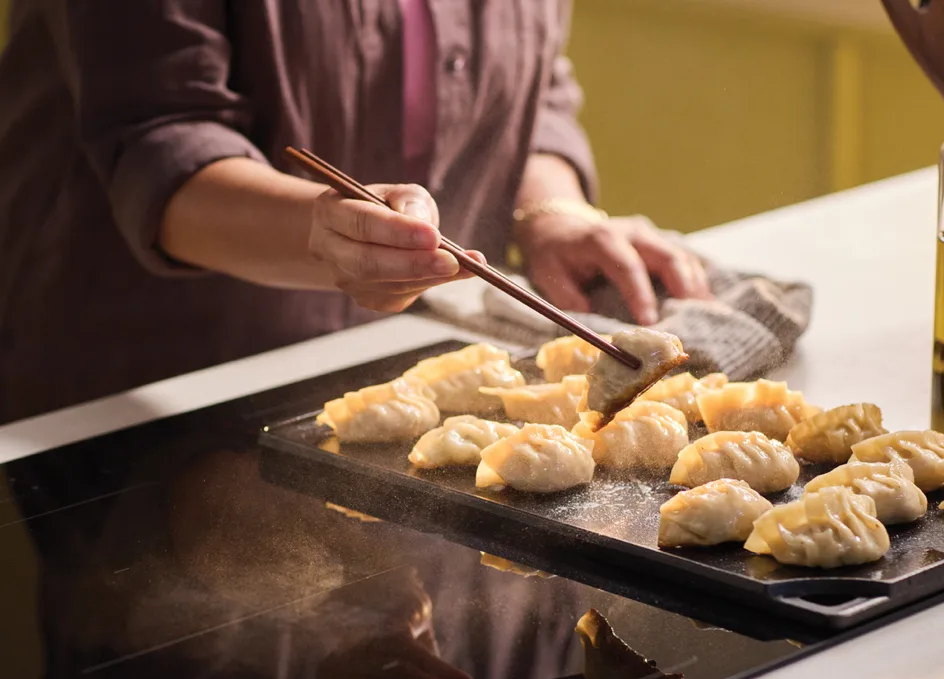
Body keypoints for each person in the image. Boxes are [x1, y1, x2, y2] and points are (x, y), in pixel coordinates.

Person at [0, 0, 709, 425]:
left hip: (394, 385)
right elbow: (160, 138)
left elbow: (531, 85)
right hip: (150, 405)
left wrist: (551, 212)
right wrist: (323, 236)